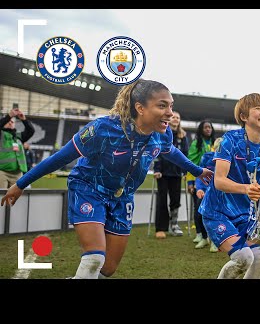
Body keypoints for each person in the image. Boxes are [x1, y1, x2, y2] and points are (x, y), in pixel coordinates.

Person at [1, 79, 213, 279]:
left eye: (171, 106)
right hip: (89, 189)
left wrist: (197, 170)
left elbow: (170, 152)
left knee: (108, 269)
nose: (170, 113)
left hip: (123, 198)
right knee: (94, 257)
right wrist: (20, 184)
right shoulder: (103, 129)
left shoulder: (163, 133)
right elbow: (62, 157)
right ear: (140, 108)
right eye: (162, 106)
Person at [199, 93, 260, 279]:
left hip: (247, 215)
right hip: (218, 212)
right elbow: (218, 180)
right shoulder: (230, 140)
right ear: (244, 117)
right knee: (244, 258)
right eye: (258, 108)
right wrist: (246, 188)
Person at [153, 111, 189, 239]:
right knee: (162, 200)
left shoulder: (183, 136)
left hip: (176, 173)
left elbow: (185, 155)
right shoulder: (161, 133)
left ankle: (174, 224)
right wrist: (156, 169)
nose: (175, 119)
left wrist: (185, 171)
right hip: (162, 173)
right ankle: (161, 227)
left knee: (175, 200)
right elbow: (157, 152)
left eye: (178, 118)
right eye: (173, 117)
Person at [187, 120, 216, 248]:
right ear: (200, 129)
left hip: (213, 183)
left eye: (210, 127)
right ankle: (200, 234)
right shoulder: (196, 144)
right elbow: (190, 162)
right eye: (205, 127)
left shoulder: (216, 144)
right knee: (198, 208)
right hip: (199, 180)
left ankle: (214, 238)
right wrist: (191, 181)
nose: (208, 129)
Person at [195, 136, 223, 252]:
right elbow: (200, 173)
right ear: (214, 148)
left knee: (218, 217)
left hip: (221, 193)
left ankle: (216, 241)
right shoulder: (206, 158)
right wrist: (199, 189)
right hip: (206, 191)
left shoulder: (230, 160)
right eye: (218, 149)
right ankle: (204, 237)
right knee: (200, 214)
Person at [0, 107, 35, 188]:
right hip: (2, 172)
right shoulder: (1, 134)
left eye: (12, 122)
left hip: (17, 173)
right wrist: (9, 116)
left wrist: (24, 119)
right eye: (8, 121)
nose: (10, 123)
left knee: (15, 198)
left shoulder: (18, 136)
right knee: (1, 196)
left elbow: (31, 131)